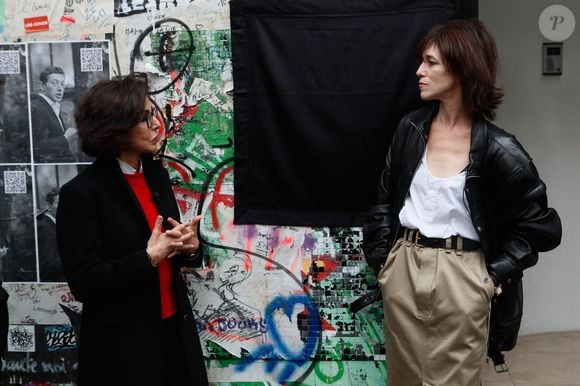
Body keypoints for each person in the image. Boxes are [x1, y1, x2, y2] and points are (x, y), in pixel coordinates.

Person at [363, 19, 562, 385]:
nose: (420, 71)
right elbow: (382, 200)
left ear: (462, 67)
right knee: (403, 378)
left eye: (431, 62)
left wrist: (490, 277)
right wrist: (383, 263)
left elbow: (541, 228)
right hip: (403, 267)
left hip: (463, 275)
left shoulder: (501, 150)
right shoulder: (411, 129)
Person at [56, 73, 209, 386]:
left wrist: (190, 247)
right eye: (143, 118)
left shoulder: (156, 174)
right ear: (115, 128)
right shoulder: (82, 194)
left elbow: (171, 250)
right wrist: (148, 258)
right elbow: (85, 282)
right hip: (124, 349)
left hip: (175, 334)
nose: (155, 124)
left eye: (152, 113)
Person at [31, 66, 76, 162]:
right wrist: (65, 138)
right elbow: (37, 148)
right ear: (42, 86)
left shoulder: (51, 106)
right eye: (54, 83)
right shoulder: (39, 108)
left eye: (62, 84)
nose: (60, 88)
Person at [37, 188, 65, 282]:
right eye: (59, 203)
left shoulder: (57, 224)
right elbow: (48, 263)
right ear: (49, 205)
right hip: (53, 281)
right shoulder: (44, 227)